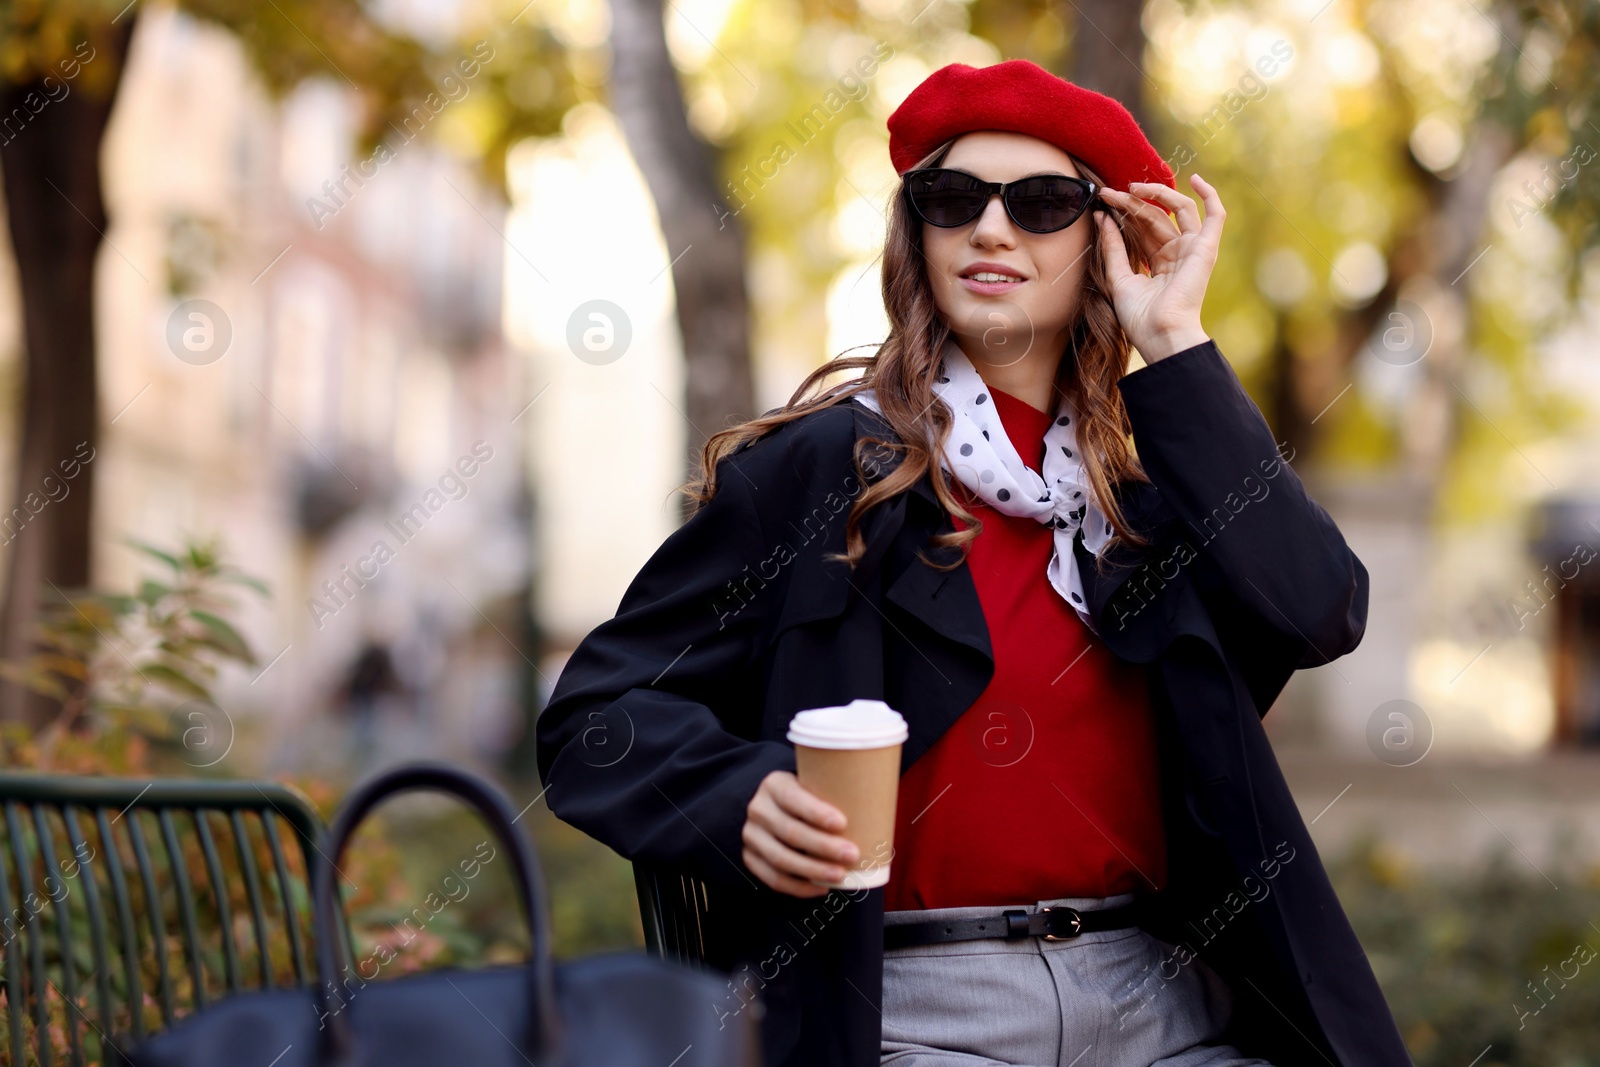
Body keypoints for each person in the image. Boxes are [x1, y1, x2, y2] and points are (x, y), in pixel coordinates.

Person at [536, 59, 1411, 1067]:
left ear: (1102, 244)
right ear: (918, 236)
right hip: (913, 1012)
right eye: (952, 201)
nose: (992, 230)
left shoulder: (1146, 496)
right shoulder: (823, 473)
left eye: (1042, 205)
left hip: (1166, 1000)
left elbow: (1320, 611)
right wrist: (734, 792)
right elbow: (594, 718)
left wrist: (1173, 339)